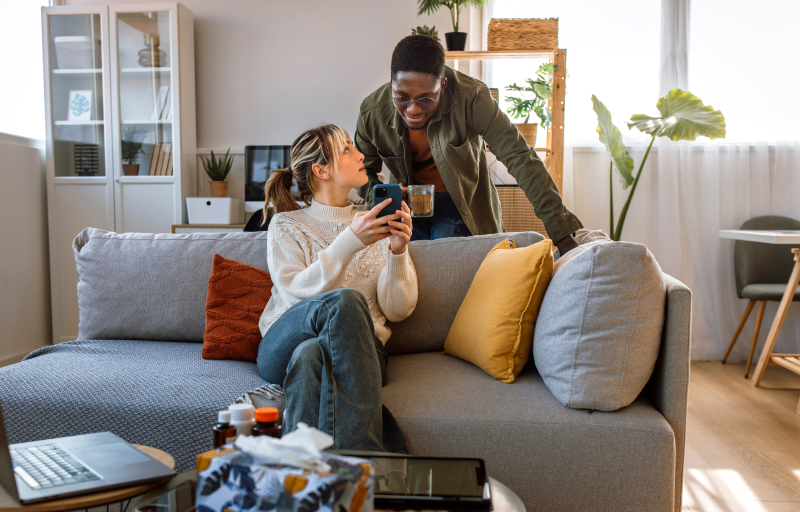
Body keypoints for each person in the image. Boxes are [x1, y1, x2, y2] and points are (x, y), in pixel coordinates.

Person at [256, 124, 417, 453]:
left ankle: (298, 477)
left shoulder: (375, 222)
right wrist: (350, 241)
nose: (360, 155)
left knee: (310, 356)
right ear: (321, 170)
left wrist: (398, 251)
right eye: (346, 149)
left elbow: (398, 310)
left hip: (364, 353)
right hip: (281, 344)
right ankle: (366, 460)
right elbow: (294, 291)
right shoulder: (287, 223)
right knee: (343, 301)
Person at [355, 35, 582, 254]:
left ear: (442, 86)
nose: (413, 109)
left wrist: (561, 234)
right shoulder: (372, 112)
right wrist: (384, 200)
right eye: (402, 97)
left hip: (459, 204)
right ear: (392, 85)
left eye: (426, 98)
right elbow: (363, 170)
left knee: (441, 260)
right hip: (405, 209)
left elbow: (520, 157)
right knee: (405, 263)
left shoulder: (472, 98)